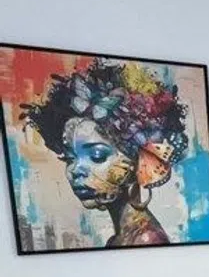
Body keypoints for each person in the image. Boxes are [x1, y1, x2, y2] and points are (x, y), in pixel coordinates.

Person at [22, 58, 189, 246]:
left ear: (138, 161)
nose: (75, 170)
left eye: (97, 156)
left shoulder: (146, 240)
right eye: (69, 158)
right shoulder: (120, 239)